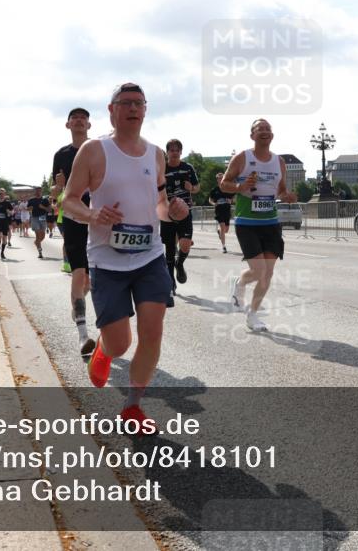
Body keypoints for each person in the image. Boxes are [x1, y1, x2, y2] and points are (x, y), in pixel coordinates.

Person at [63, 83, 189, 429]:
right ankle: (104, 350)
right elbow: (69, 199)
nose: (133, 108)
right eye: (125, 103)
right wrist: (93, 215)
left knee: (153, 332)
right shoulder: (93, 150)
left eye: (139, 103)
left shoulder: (156, 154)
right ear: (111, 109)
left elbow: (160, 207)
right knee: (121, 343)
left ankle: (133, 407)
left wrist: (174, 212)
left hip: (149, 255)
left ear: (145, 110)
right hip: (107, 258)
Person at [220, 119, 297, 331]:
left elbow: (281, 189)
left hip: (271, 223)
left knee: (268, 274)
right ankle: (240, 283)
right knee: (259, 270)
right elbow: (223, 184)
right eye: (259, 129)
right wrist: (240, 186)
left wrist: (287, 195)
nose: (264, 131)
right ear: (252, 135)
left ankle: (252, 314)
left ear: (272, 135)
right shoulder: (243, 158)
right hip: (247, 223)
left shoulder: (279, 162)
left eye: (268, 129)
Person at [51, 108, 94, 356]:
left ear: (89, 124)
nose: (79, 120)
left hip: (98, 219)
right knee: (79, 274)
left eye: (83, 118)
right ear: (68, 125)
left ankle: (78, 306)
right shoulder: (61, 155)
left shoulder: (100, 149)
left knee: (91, 279)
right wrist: (57, 188)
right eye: (74, 118)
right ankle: (83, 334)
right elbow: (56, 192)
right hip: (73, 218)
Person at [161, 139, 200, 307]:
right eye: (171, 150)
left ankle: (180, 263)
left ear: (181, 152)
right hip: (167, 213)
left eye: (177, 150)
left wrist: (191, 187)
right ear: (167, 152)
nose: (174, 152)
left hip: (184, 212)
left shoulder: (188, 168)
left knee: (185, 245)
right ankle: (170, 284)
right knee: (169, 249)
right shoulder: (161, 168)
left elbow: (198, 188)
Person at [208, 171, 234, 254]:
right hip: (219, 210)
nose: (220, 179)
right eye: (219, 178)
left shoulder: (228, 188)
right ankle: (224, 246)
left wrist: (231, 200)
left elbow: (233, 198)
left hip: (227, 210)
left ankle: (219, 232)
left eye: (222, 177)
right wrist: (214, 203)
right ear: (217, 180)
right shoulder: (214, 190)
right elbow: (210, 199)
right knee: (223, 227)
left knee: (226, 230)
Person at [28, 186, 50, 258]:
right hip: (35, 218)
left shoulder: (45, 200)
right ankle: (40, 252)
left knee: (42, 236)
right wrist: (29, 208)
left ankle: (37, 243)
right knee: (37, 235)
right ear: (35, 191)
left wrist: (43, 207)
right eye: (37, 191)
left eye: (39, 191)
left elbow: (49, 210)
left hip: (43, 218)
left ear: (41, 191)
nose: (38, 192)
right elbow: (28, 209)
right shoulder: (31, 200)